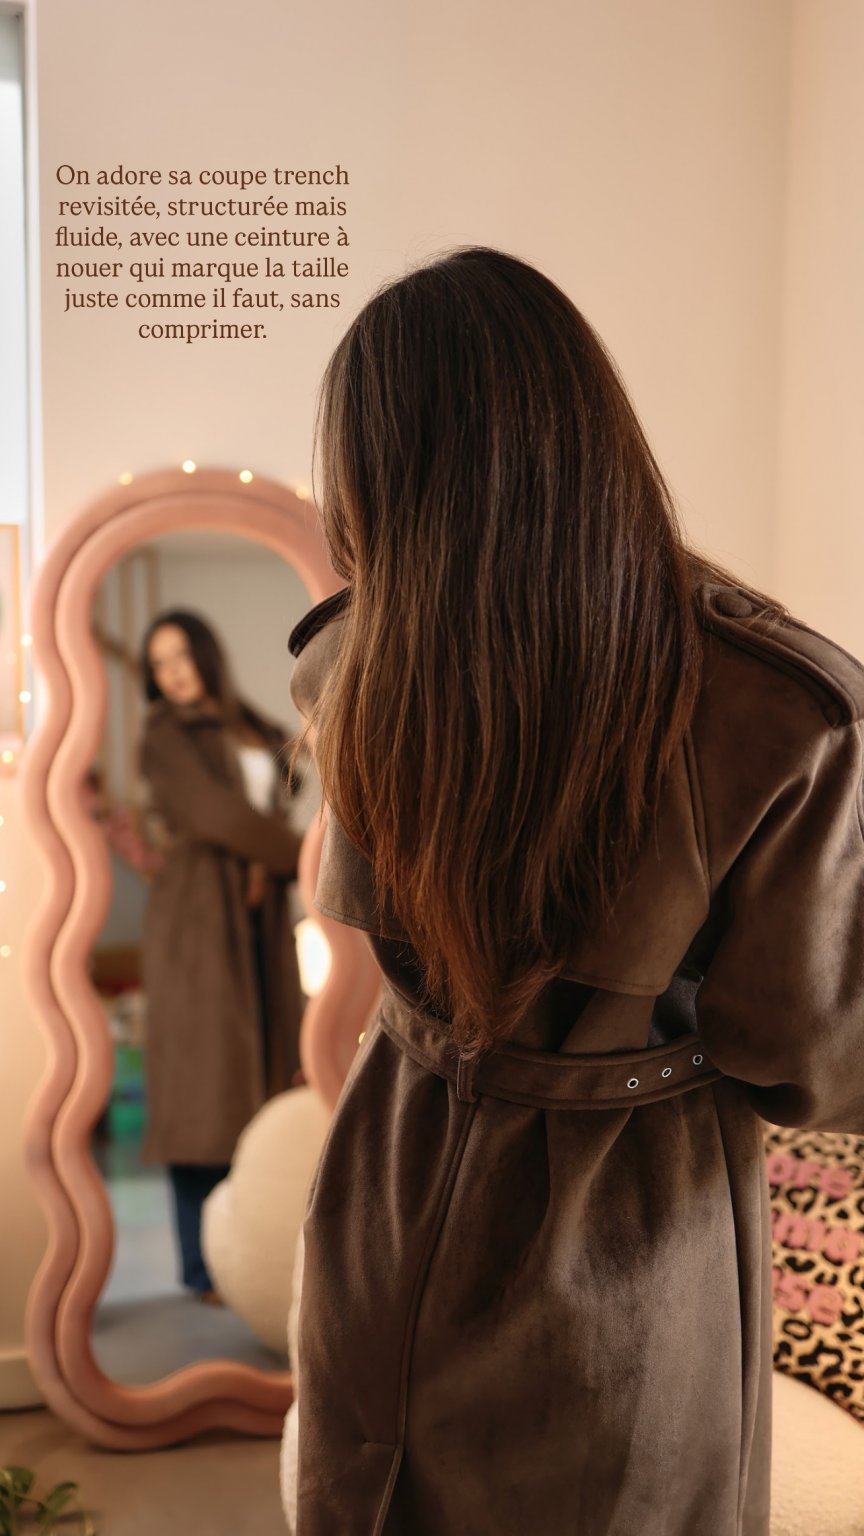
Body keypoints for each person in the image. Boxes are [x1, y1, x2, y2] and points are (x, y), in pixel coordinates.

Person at [283, 247, 864, 1536]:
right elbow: (814, 1065)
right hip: (622, 1251)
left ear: (374, 467)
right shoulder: (774, 708)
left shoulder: (346, 668)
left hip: (391, 1183)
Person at [138, 608, 305, 1300]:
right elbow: (217, 816)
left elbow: (285, 783)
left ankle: (251, 1256)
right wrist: (306, 856)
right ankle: (201, 1266)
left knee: (258, 1080)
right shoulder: (164, 733)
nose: (172, 673)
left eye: (181, 656)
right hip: (199, 921)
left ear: (206, 655)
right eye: (159, 664)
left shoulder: (247, 724)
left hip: (257, 922)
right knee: (202, 1092)